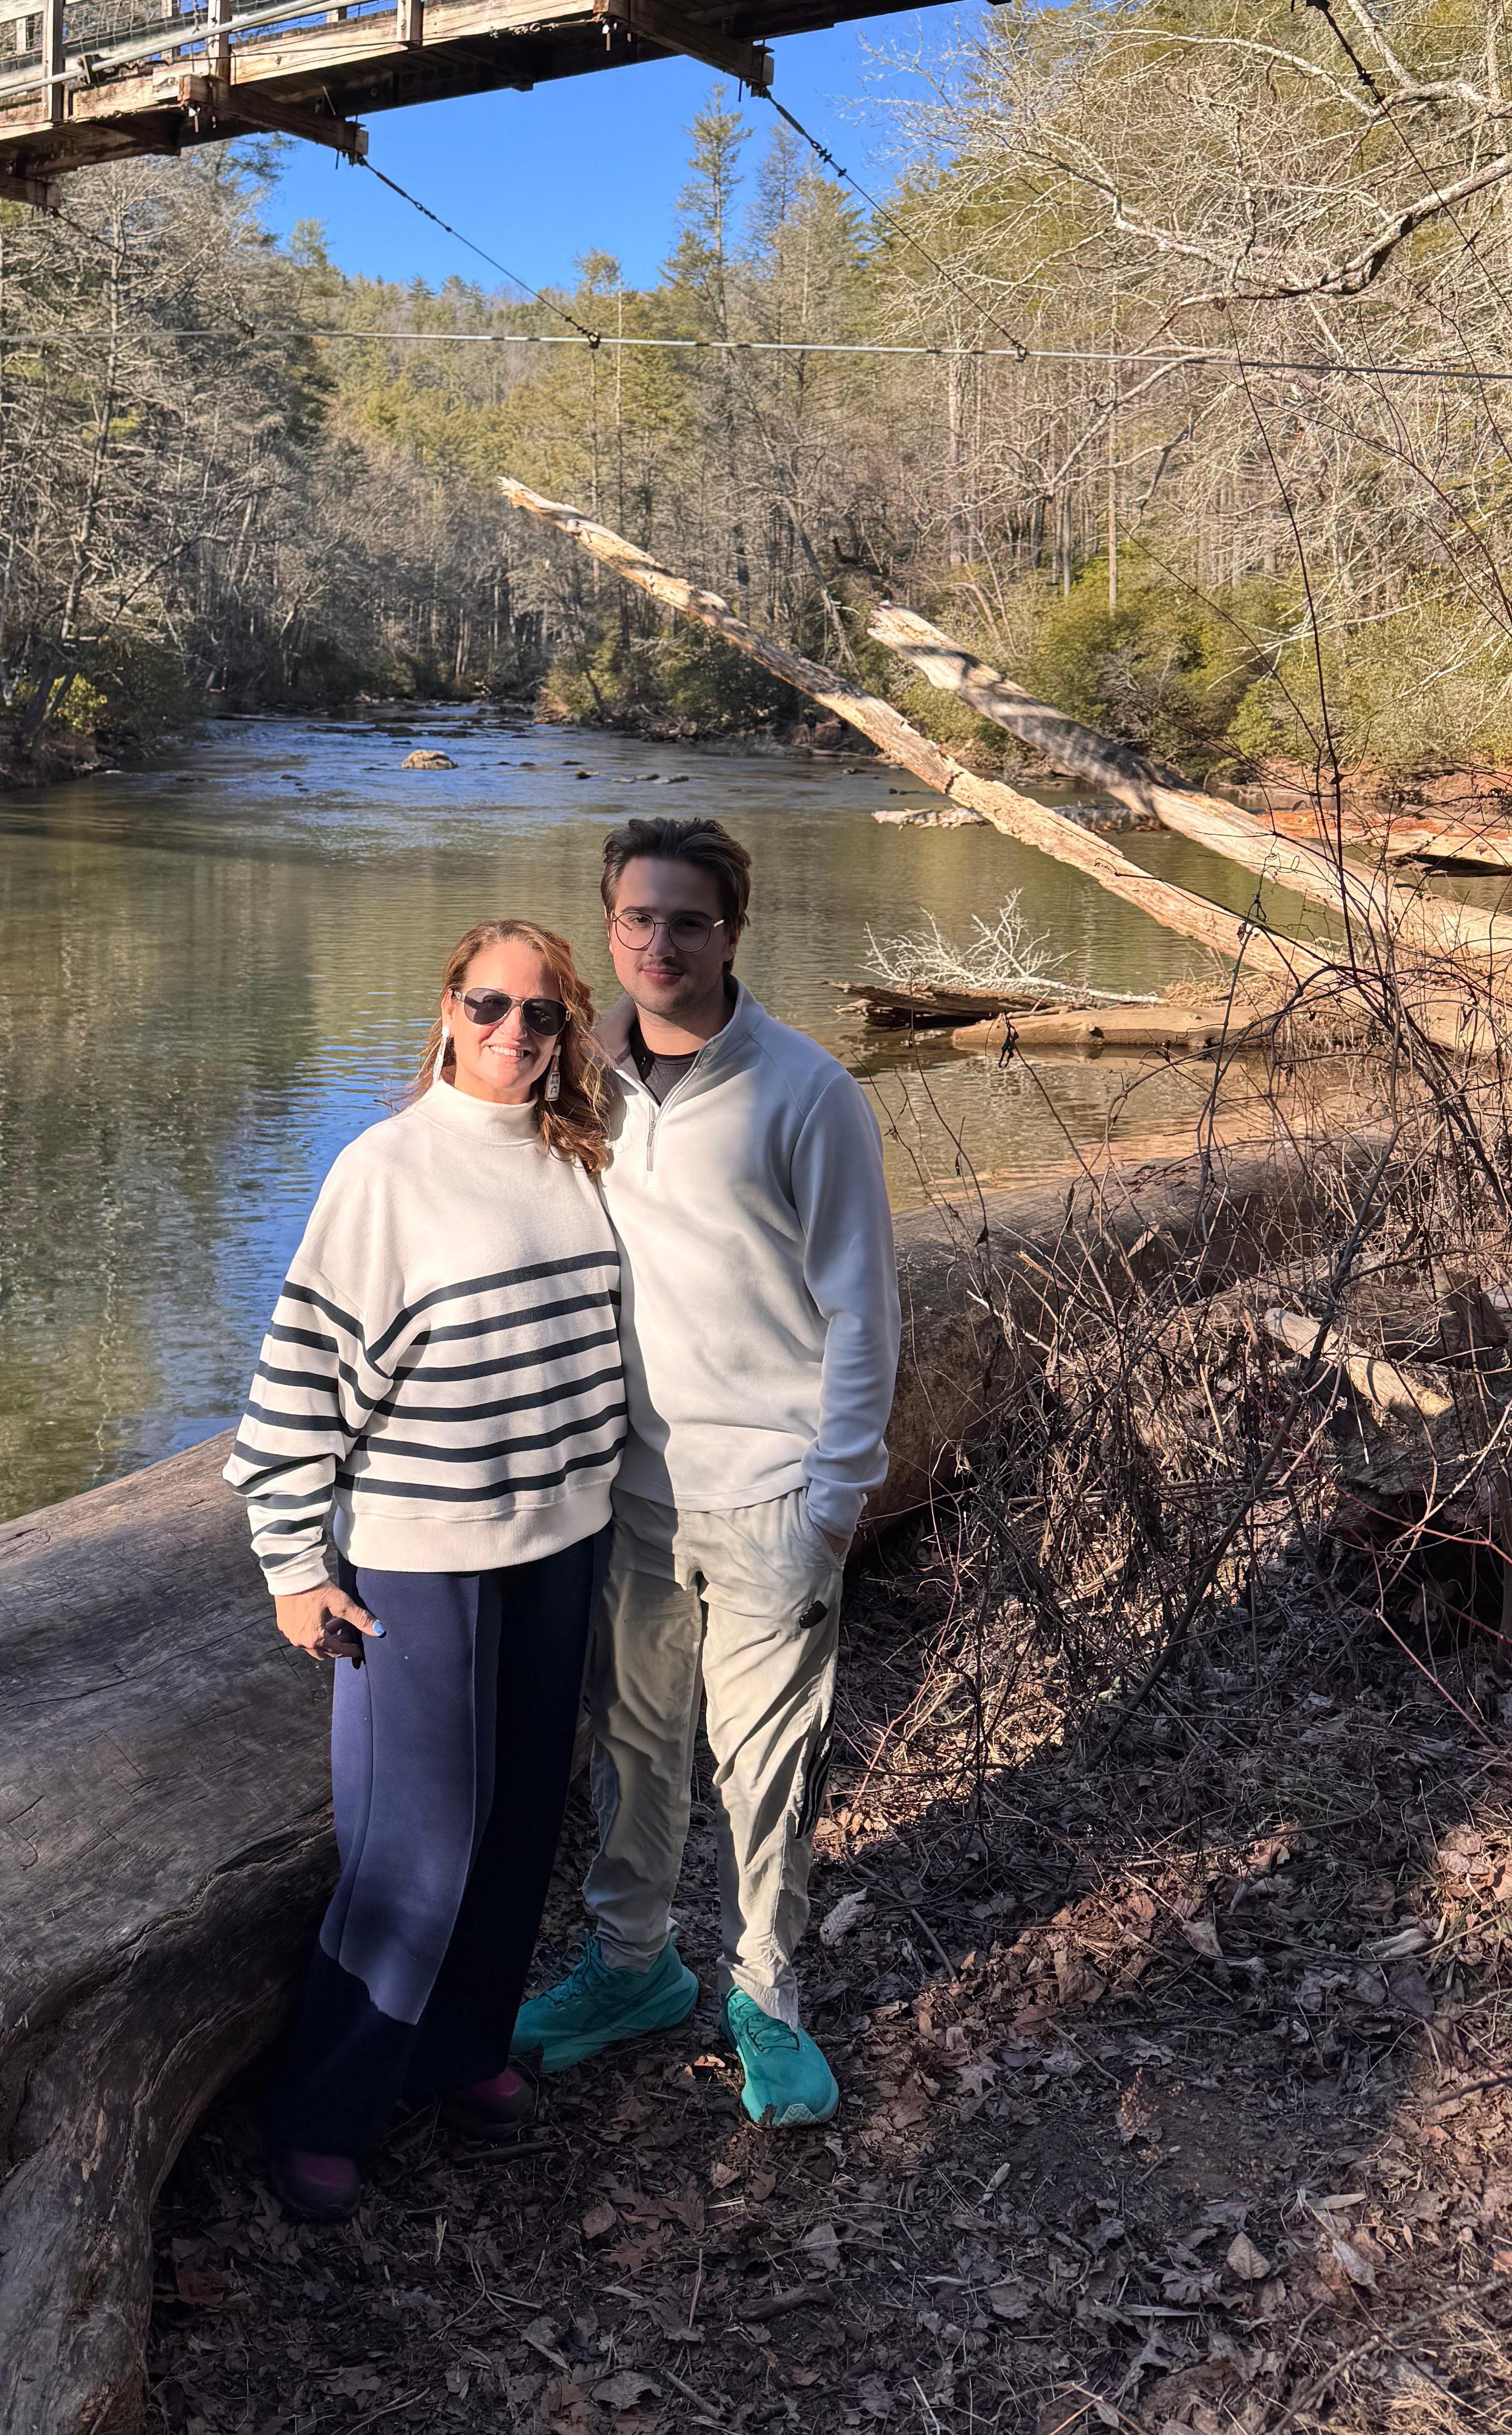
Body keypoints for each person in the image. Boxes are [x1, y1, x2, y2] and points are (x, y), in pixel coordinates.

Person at [225, 918, 624, 2222]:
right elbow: (295, 1386)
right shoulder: (384, 1170)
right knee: (414, 1852)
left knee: (517, 1827)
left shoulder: (586, 1159)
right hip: (419, 1563)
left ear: (571, 1036)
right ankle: (325, 2108)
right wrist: (294, 1564)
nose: (516, 1033)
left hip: (560, 1545)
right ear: (449, 1009)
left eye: (545, 1014)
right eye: (491, 1004)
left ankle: (461, 2052)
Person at [514, 816, 901, 2128]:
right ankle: (631, 1969)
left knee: (764, 1766)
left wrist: (838, 1494)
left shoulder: (807, 1091)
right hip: (628, 1488)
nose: (658, 943)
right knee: (631, 1749)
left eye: (687, 921)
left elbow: (864, 1309)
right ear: (608, 928)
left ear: (735, 930)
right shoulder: (581, 1079)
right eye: (635, 919)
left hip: (774, 1492)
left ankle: (770, 1998)